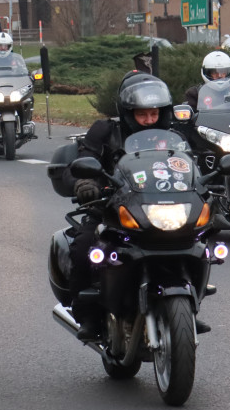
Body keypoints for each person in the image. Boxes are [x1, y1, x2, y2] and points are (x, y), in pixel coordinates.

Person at [66, 71, 211, 339]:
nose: (148, 120)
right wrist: (85, 185)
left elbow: (193, 166)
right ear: (128, 112)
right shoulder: (105, 131)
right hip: (112, 208)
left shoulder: (174, 136)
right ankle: (87, 316)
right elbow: (83, 161)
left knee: (201, 242)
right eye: (142, 114)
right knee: (84, 246)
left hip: (160, 208)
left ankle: (188, 309)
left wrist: (207, 185)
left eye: (154, 114)